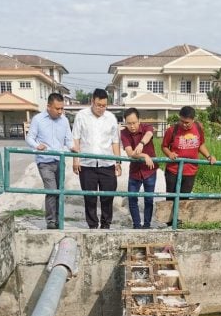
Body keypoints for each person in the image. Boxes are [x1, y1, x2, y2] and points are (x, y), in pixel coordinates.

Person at [72, 88, 121, 229]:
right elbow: (76, 138)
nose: (101, 108)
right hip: (87, 164)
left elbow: (115, 141)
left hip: (107, 163)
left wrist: (118, 162)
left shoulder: (111, 118)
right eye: (99, 105)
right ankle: (92, 225)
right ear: (92, 101)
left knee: (108, 196)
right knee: (90, 197)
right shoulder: (81, 115)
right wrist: (76, 160)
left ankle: (106, 225)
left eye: (104, 106)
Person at [161, 105, 216, 225]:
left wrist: (208, 156)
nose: (184, 124)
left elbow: (200, 145)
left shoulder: (198, 128)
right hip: (173, 170)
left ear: (193, 120)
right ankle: (170, 223)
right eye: (181, 121)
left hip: (190, 170)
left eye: (187, 122)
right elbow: (164, 146)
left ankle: (180, 221)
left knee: (184, 197)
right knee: (171, 197)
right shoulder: (172, 130)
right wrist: (170, 154)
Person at [26, 92, 73, 229]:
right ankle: (51, 222)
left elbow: (68, 140)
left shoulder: (64, 120)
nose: (60, 112)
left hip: (60, 160)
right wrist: (37, 146)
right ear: (48, 107)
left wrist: (72, 147)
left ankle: (59, 219)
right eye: (57, 108)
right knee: (52, 190)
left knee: (60, 191)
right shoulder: (38, 119)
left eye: (62, 108)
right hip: (45, 161)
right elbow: (29, 138)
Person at [120, 108, 158, 229]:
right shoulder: (124, 133)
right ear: (125, 122)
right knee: (132, 198)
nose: (132, 126)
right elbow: (130, 153)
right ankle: (137, 225)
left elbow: (149, 134)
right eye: (129, 123)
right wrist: (144, 155)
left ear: (139, 120)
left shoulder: (147, 127)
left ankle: (147, 225)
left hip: (149, 170)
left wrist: (141, 144)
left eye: (134, 122)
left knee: (148, 199)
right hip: (135, 171)